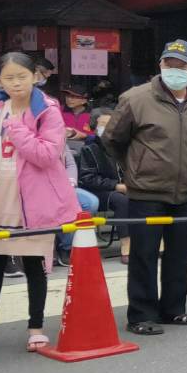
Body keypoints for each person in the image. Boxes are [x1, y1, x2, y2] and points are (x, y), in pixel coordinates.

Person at [0, 52, 80, 356]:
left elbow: (47, 155)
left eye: (22, 77)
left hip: (35, 197)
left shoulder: (48, 109)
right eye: (9, 78)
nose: (16, 83)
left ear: (35, 76)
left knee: (33, 264)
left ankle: (36, 327)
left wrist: (17, 129)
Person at [101, 39, 187, 337]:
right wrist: (135, 166)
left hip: (186, 190)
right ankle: (141, 313)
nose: (174, 70)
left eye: (181, 66)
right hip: (146, 191)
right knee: (144, 254)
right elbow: (112, 139)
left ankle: (174, 309)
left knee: (179, 254)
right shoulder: (136, 99)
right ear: (160, 65)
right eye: (169, 65)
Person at [79, 107, 131, 264]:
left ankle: (155, 241)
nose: (108, 127)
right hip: (100, 192)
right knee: (122, 200)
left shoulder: (124, 146)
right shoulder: (89, 149)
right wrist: (116, 186)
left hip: (126, 188)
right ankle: (126, 245)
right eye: (103, 124)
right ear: (94, 127)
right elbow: (88, 179)